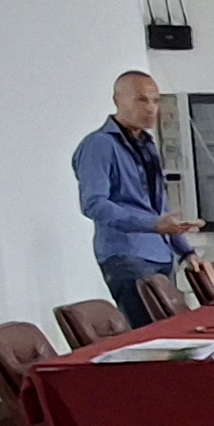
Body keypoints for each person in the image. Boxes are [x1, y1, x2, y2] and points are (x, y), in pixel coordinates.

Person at [75, 70, 199, 327]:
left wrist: (186, 252)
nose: (152, 109)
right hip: (126, 255)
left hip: (161, 255)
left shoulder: (147, 144)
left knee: (174, 330)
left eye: (155, 100)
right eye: (142, 100)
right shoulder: (100, 145)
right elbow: (94, 204)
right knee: (152, 336)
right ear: (117, 100)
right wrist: (151, 225)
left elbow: (159, 206)